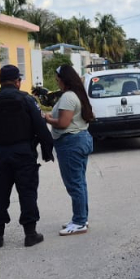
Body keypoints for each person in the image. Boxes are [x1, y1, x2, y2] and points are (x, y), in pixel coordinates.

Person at [0, 64, 55, 248]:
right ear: (17, 81)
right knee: (27, 193)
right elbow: (40, 126)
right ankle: (30, 234)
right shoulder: (27, 100)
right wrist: (47, 148)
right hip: (23, 154)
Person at [42, 63, 95, 236]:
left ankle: (79, 222)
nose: (56, 81)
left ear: (64, 79)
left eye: (58, 79)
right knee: (80, 182)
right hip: (80, 139)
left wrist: (47, 119)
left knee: (74, 184)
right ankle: (81, 218)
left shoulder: (68, 97)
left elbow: (63, 123)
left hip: (71, 142)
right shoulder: (77, 94)